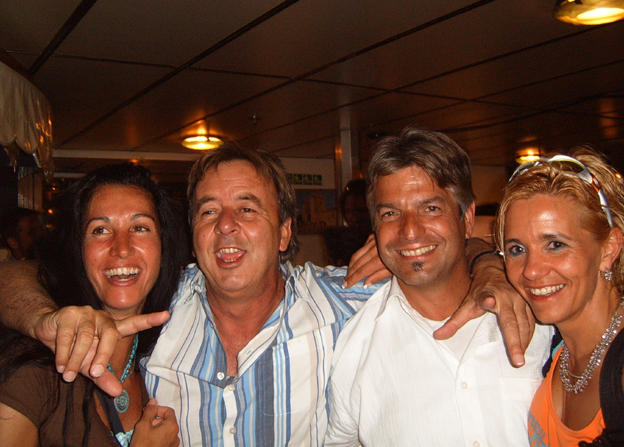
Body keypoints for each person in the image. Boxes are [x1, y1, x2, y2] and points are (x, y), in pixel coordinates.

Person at [0, 141, 532, 446]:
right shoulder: (157, 302)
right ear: (192, 233)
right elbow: (16, 278)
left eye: (248, 208)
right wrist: (46, 319)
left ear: (284, 232)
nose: (226, 226)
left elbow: (428, 252)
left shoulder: (347, 301)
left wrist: (487, 263)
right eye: (209, 210)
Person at [325, 128, 553, 446]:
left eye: (430, 208)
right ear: (375, 227)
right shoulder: (355, 347)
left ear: (468, 218)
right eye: (390, 213)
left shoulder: (540, 311)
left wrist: (489, 260)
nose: (409, 230)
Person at [0, 164, 184, 447]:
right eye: (100, 230)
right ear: (78, 251)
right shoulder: (36, 370)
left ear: (163, 247)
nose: (122, 248)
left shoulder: (160, 360)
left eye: (140, 227)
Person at [494, 148, 624, 446]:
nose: (531, 270)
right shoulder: (554, 348)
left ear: (609, 248)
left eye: (555, 244)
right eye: (517, 249)